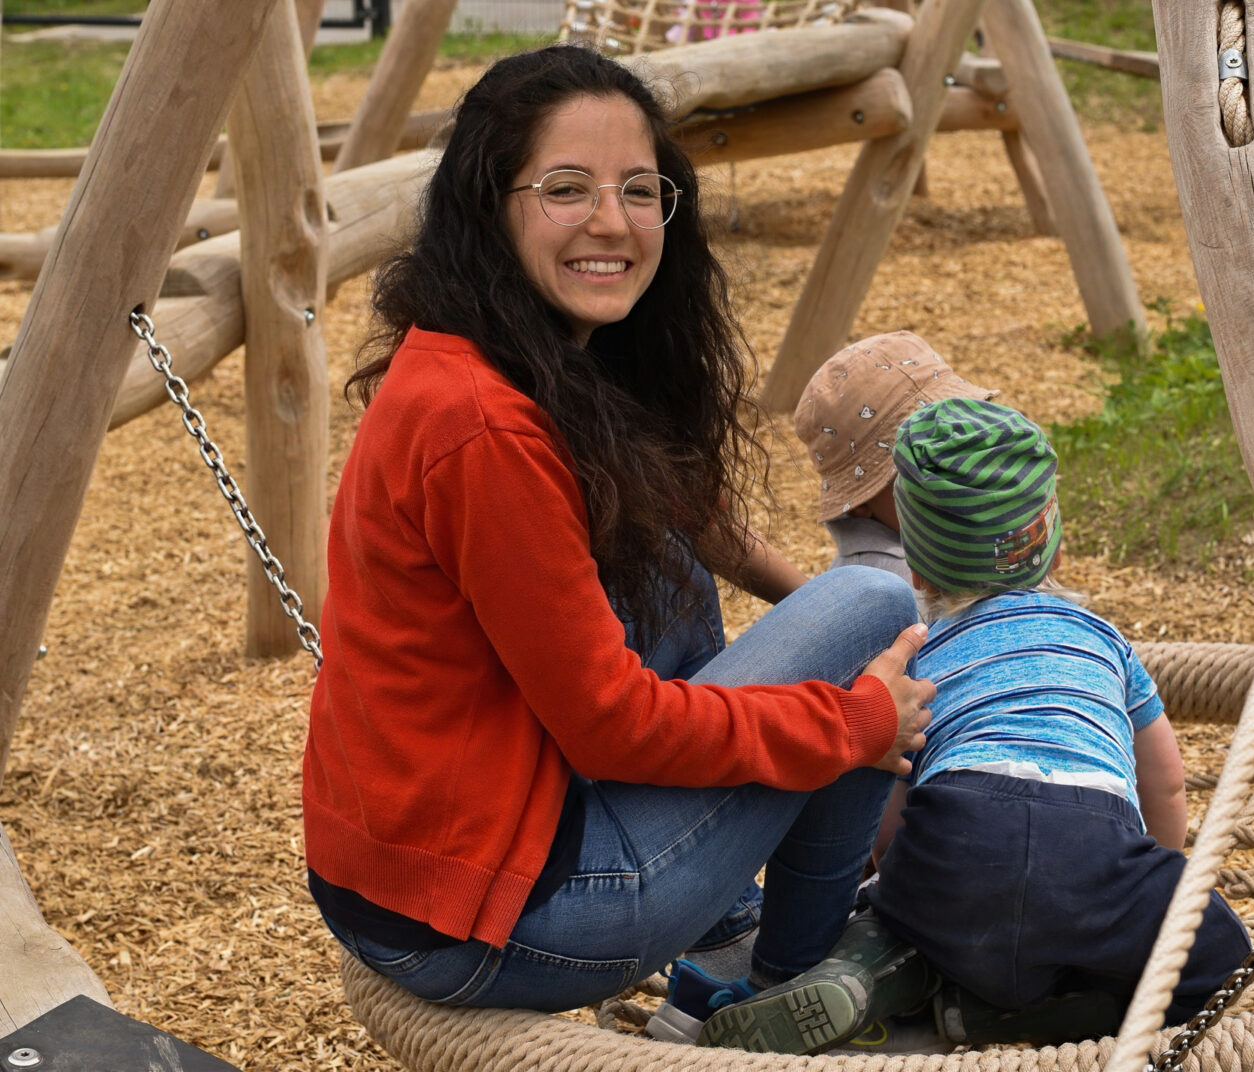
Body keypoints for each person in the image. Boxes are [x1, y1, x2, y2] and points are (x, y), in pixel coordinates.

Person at [302, 43, 936, 1019]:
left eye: (639, 190)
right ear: (489, 203)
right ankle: (785, 987)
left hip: (426, 869)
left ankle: (728, 935)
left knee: (692, 555)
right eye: (566, 187)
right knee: (880, 599)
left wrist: (805, 607)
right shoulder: (484, 427)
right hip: (495, 921)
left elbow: (690, 519)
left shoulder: (491, 353)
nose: (611, 220)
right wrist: (858, 719)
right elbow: (611, 723)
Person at [699, 398, 1251, 1055]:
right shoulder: (1102, 640)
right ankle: (1064, 1012)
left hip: (955, 841)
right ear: (1053, 538)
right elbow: (1166, 781)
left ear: (918, 568)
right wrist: (1153, 877)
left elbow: (893, 791)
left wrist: (896, 877)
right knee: (1223, 952)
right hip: (1091, 856)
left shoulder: (917, 655)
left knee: (890, 923)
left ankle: (868, 970)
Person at [793, 331, 997, 583]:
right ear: (860, 503)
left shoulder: (937, 545)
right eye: (920, 459)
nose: (952, 464)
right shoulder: (899, 587)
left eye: (960, 437)